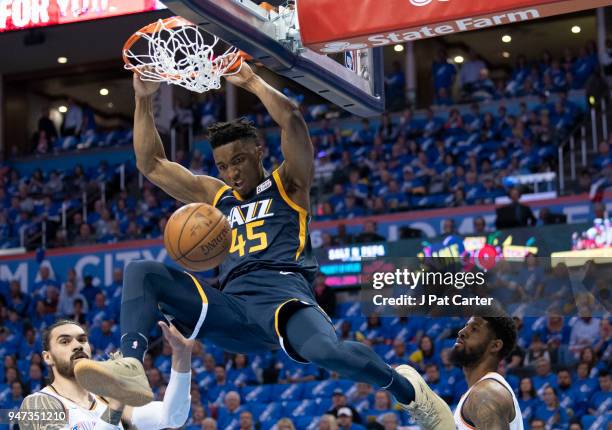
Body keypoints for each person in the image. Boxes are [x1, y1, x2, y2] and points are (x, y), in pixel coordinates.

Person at [74, 59, 453, 428]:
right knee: (142, 271)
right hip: (234, 307)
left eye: (239, 160)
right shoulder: (216, 195)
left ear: (258, 151)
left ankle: (410, 392)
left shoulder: (288, 183)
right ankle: (131, 365)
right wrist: (142, 98)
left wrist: (252, 81)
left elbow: (291, 117)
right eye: (223, 166)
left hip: (285, 296)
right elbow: (152, 164)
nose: (231, 172)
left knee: (328, 353)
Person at [18, 319, 192, 429]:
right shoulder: (36, 404)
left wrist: (182, 356)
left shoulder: (105, 399)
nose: (77, 346)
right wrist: (117, 401)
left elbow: (172, 416)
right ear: (48, 357)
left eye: (82, 339)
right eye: (65, 341)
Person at [451, 310, 524, 429]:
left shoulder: (486, 394)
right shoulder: (480, 391)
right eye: (466, 326)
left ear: (495, 346)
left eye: (474, 329)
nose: (461, 332)